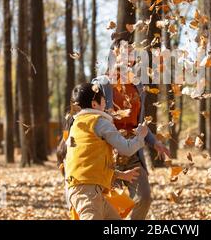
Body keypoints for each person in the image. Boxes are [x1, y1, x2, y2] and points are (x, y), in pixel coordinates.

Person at [92, 34, 171, 220]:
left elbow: (138, 123)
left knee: (144, 198)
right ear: (114, 53)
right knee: (110, 205)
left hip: (133, 151)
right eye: (126, 50)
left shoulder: (138, 85)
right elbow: (91, 118)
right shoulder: (101, 84)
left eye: (132, 51)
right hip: (108, 154)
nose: (131, 54)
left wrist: (154, 142)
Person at [61, 83, 148, 220]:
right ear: (94, 104)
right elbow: (126, 148)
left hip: (85, 190)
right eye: (103, 99)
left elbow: (89, 164)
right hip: (88, 193)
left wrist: (120, 175)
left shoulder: (78, 124)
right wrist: (140, 136)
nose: (106, 103)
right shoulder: (99, 121)